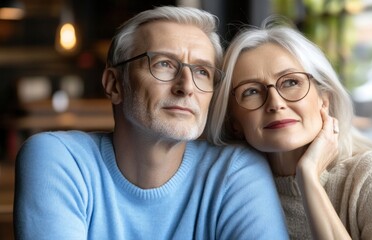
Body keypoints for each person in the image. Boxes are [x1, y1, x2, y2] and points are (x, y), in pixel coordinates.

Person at [13, 7, 290, 239]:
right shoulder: (59, 158)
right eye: (164, 64)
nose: (186, 86)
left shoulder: (234, 172)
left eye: (202, 72)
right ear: (114, 84)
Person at [207, 17, 372, 239]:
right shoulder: (232, 187)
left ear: (324, 99)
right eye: (251, 91)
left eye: (291, 82)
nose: (275, 103)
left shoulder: (367, 173)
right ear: (233, 122)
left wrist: (308, 178)